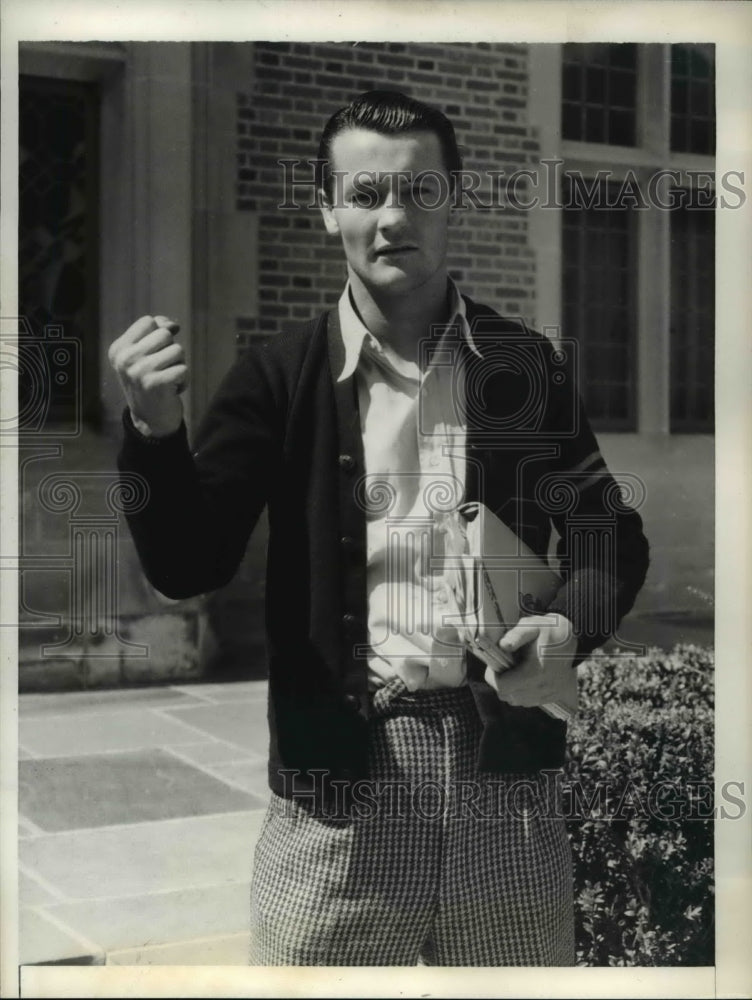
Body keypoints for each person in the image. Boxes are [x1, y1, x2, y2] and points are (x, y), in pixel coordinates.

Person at [109, 90, 649, 966]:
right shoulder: (276, 379)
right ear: (329, 210)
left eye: (419, 193)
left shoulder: (524, 367)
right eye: (364, 195)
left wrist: (567, 627)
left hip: (503, 787)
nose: (392, 217)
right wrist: (154, 435)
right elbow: (185, 564)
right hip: (340, 795)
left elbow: (609, 536)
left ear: (454, 201)